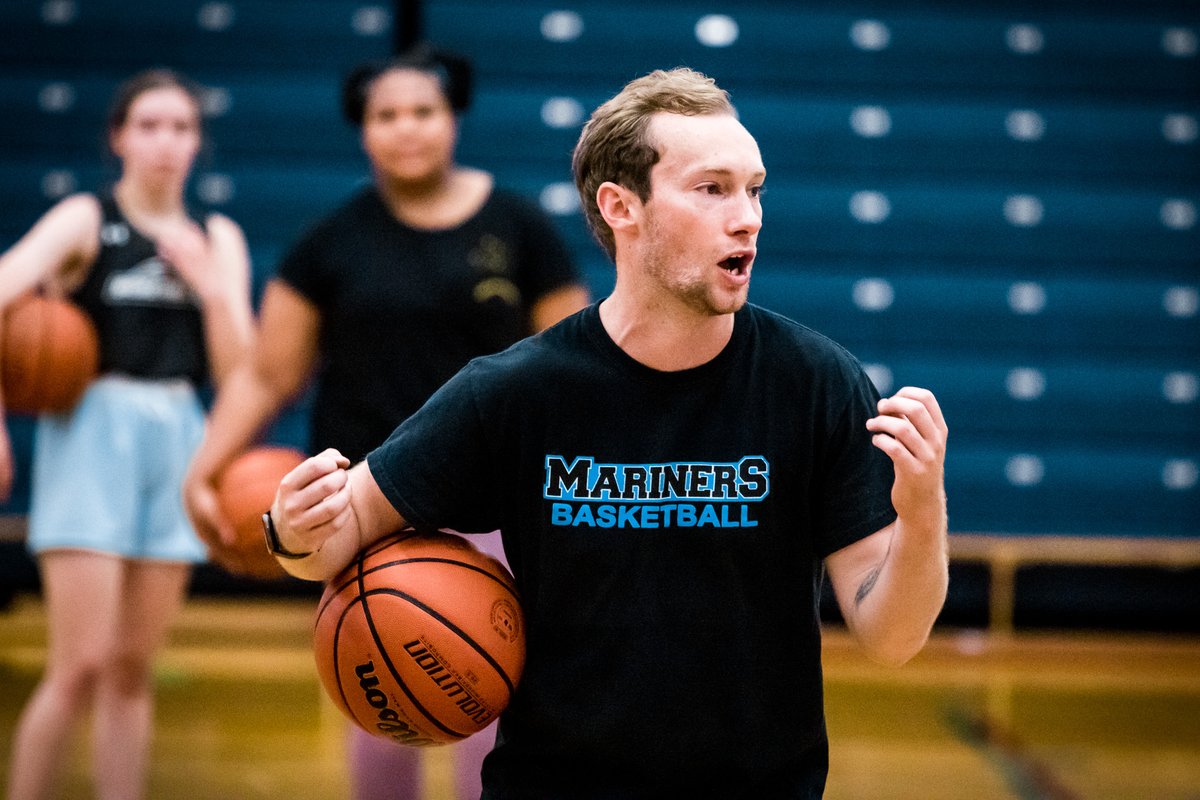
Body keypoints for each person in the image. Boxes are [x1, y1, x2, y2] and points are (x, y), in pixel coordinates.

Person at [267, 67, 949, 799]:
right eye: (712, 188)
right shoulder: (517, 391)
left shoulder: (817, 384)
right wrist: (294, 528)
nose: (747, 215)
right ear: (621, 207)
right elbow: (340, 532)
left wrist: (922, 509)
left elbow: (892, 636)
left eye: (754, 188)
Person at [181, 45, 589, 800]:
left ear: (453, 119)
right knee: (382, 705)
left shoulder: (520, 227)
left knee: (487, 696)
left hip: (494, 496)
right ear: (364, 130)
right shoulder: (329, 242)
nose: (407, 129)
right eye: (387, 115)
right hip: (366, 501)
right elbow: (271, 374)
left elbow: (577, 368)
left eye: (423, 112)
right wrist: (204, 468)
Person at [0, 69, 254, 800]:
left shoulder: (219, 237)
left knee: (131, 669)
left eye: (181, 127)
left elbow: (241, 372)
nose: (166, 142)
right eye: (148, 125)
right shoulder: (85, 219)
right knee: (75, 665)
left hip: (180, 432)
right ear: (118, 137)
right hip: (90, 430)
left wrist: (211, 288)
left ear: (198, 142)